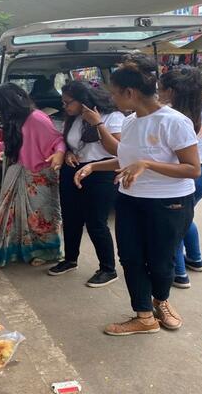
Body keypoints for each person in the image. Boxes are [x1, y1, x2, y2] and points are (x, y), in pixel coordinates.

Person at [75, 54, 200, 334]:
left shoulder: (174, 122)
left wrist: (148, 164)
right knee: (130, 257)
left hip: (170, 203)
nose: (112, 99)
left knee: (161, 261)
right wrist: (93, 166)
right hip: (130, 200)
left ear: (130, 93)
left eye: (115, 94)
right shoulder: (130, 122)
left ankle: (161, 301)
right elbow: (125, 159)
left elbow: (192, 169)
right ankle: (143, 316)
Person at [0, 83, 66, 268]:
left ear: (9, 104)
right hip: (21, 171)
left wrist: (59, 153)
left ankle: (48, 253)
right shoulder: (19, 120)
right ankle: (25, 250)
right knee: (16, 215)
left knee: (42, 217)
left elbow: (57, 140)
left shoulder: (36, 118)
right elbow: (21, 143)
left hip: (41, 175)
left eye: (0, 109)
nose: (0, 114)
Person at [47, 81, 124, 287]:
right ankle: (70, 259)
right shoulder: (73, 118)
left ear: (84, 101)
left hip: (101, 172)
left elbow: (119, 150)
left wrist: (98, 123)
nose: (65, 106)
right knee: (71, 218)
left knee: (95, 222)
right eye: (63, 102)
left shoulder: (112, 117)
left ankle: (108, 269)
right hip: (73, 170)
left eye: (68, 102)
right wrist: (68, 154)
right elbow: (70, 143)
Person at [158, 67, 202, 288]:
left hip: (180, 175)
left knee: (173, 224)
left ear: (171, 91)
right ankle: (195, 258)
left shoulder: (170, 116)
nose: (158, 93)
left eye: (160, 89)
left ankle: (179, 273)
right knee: (185, 218)